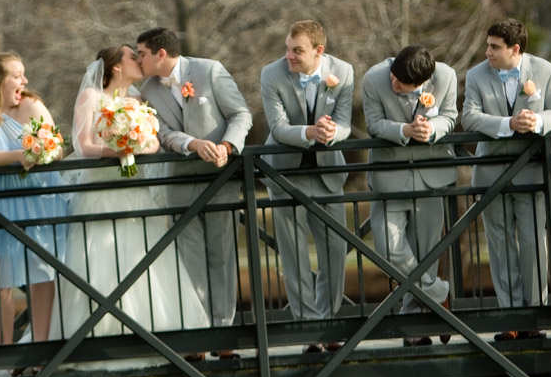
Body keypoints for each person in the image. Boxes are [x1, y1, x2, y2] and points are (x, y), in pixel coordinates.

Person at [50, 45, 210, 341]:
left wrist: (136, 147)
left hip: (134, 190)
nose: (139, 61)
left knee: (141, 260)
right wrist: (114, 150)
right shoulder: (91, 97)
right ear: (116, 67)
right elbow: (83, 146)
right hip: (98, 191)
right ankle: (95, 335)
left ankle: (151, 332)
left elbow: (153, 142)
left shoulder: (138, 99)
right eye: (132, 58)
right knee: (100, 259)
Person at [136, 27, 253, 359]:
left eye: (141, 53)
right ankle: (198, 336)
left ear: (161, 54)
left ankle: (224, 333)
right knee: (189, 261)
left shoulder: (209, 70)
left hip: (221, 179)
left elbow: (241, 114)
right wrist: (192, 143)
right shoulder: (146, 91)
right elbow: (164, 134)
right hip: (180, 183)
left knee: (222, 255)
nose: (138, 58)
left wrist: (227, 146)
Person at [462, 19, 551, 341]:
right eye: (488, 45)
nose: (487, 52)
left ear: (516, 49)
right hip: (491, 173)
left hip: (533, 171)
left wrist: (536, 120)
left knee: (535, 243)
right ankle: (508, 315)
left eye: (494, 47)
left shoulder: (547, 71)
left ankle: (533, 316)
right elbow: (468, 117)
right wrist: (509, 123)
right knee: (499, 245)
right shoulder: (476, 74)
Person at [0, 52, 67, 348]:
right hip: (3, 200)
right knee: (0, 276)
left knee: (42, 274)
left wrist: (44, 151)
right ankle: (5, 348)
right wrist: (21, 156)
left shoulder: (33, 104)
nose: (25, 80)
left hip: (42, 197)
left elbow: (57, 150)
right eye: (17, 75)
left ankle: (41, 346)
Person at [259, 21, 353, 353]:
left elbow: (344, 123)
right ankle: (308, 329)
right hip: (285, 174)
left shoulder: (343, 71)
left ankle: (329, 325)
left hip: (328, 173)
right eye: (287, 48)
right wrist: (309, 133)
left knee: (335, 250)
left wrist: (331, 133)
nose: (289, 56)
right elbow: (278, 127)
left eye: (297, 50)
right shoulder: (271, 74)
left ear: (318, 51)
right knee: (293, 254)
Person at [362, 44, 458, 347]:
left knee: (426, 255)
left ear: (423, 82)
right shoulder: (373, 78)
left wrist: (431, 129)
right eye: (393, 77)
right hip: (389, 178)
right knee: (388, 249)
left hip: (432, 177)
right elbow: (374, 124)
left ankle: (416, 328)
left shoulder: (446, 76)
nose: (393, 84)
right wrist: (405, 129)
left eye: (400, 84)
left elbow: (451, 116)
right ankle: (439, 297)